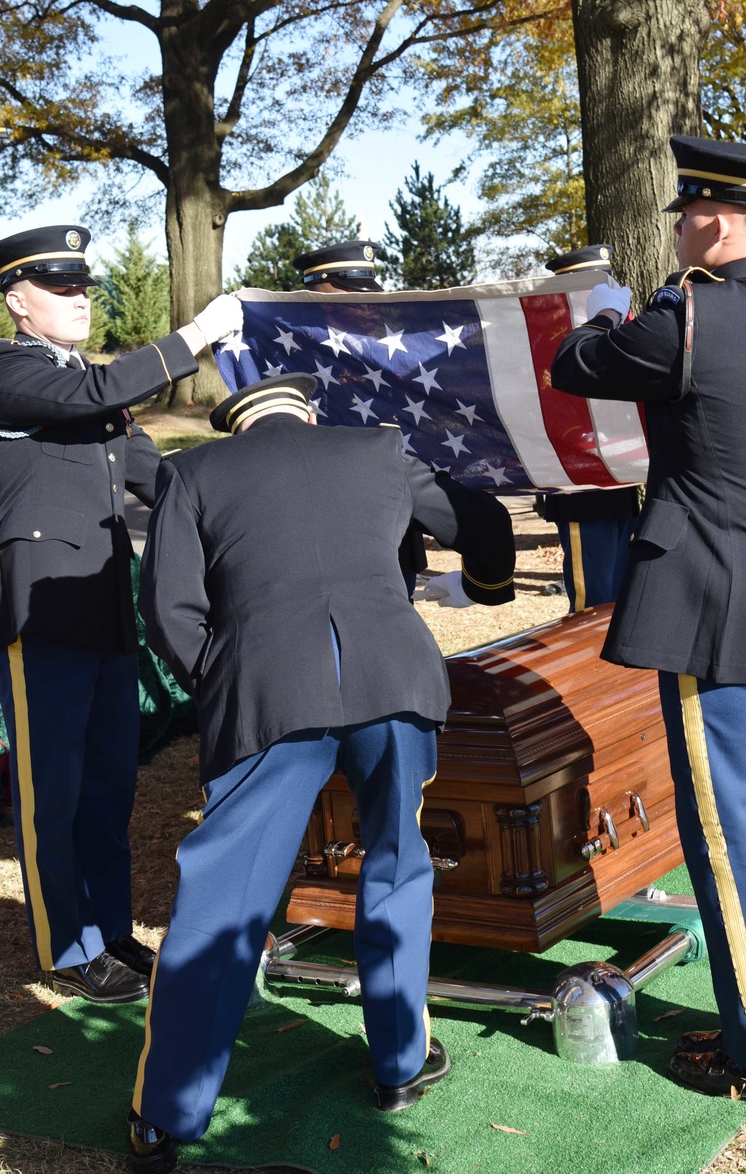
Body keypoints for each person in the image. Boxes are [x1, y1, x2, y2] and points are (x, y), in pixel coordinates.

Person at [127, 373, 516, 1171]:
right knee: (397, 868)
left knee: (224, 901)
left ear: (240, 427)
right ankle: (399, 1066)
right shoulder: (376, 449)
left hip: (268, 690)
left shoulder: (194, 473)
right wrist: (489, 586)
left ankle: (167, 1117)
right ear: (309, 413)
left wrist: (231, 674)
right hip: (393, 680)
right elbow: (479, 517)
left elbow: (168, 608)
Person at [551, 137, 746, 1103]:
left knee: (734, 833)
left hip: (719, 605)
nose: (679, 227)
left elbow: (571, 363)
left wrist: (610, 306)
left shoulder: (685, 321)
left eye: (685, 215)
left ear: (716, 222)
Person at [0, 223, 242, 1004]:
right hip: (39, 618)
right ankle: (66, 948)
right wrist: (198, 335)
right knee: (52, 795)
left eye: (82, 287)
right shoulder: (16, 370)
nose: (78, 299)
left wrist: (259, 473)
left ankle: (109, 933)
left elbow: (162, 480)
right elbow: (99, 394)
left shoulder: (85, 383)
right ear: (16, 302)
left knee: (110, 788)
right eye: (59, 287)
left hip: (104, 613)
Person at [292, 239, 429, 595]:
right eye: (348, 294)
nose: (366, 305)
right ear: (318, 293)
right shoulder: (290, 350)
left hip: (392, 514)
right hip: (328, 517)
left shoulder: (389, 347)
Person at [535, 246, 641, 610]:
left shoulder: (617, 333)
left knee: (617, 598)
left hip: (619, 483)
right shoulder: (549, 342)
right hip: (581, 488)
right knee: (590, 603)